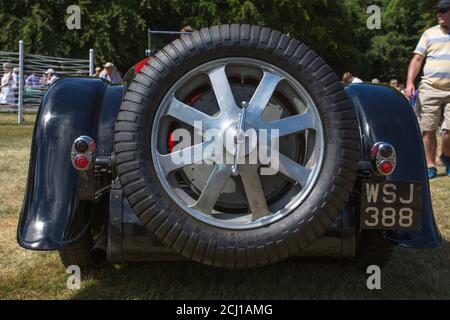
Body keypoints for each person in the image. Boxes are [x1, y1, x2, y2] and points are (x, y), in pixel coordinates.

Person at [405, 0, 450, 179]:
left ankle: (446, 155)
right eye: (437, 11)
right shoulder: (429, 34)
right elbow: (417, 59)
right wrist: (410, 82)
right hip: (430, 88)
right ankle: (430, 165)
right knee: (428, 130)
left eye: (443, 10)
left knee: (447, 132)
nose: (439, 13)